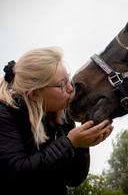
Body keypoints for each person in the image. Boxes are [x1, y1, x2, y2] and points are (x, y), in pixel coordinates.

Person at [0, 46, 113, 195]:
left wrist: (82, 144)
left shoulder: (60, 113)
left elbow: (73, 178)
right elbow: (18, 175)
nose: (70, 89)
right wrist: (71, 143)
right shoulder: (4, 115)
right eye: (61, 85)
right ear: (34, 94)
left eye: (68, 80)